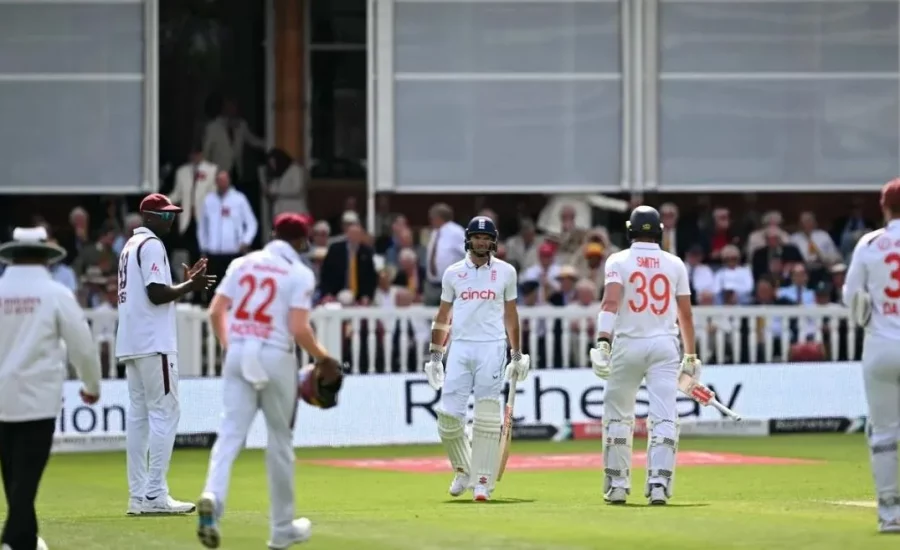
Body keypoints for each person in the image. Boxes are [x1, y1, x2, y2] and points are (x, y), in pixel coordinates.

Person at [197, 213, 340, 549]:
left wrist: (232, 348)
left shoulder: (242, 263)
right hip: (276, 355)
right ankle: (281, 529)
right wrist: (323, 358)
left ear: (273, 233)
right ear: (303, 241)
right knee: (279, 442)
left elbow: (216, 312)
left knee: (230, 434)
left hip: (238, 350)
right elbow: (299, 328)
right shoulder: (299, 272)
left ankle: (212, 498)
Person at [588, 205, 698, 506]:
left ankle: (619, 485)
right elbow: (685, 316)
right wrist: (691, 356)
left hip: (628, 343)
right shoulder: (674, 263)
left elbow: (610, 303)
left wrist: (602, 343)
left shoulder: (618, 260)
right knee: (664, 415)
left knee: (617, 415)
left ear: (629, 231)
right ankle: (659, 483)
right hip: (665, 346)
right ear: (660, 231)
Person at [0, 227, 102, 550]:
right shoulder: (55, 293)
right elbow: (83, 346)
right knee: (24, 486)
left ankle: (25, 541)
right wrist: (92, 385)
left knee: (16, 483)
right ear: (46, 256)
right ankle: (14, 540)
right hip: (38, 401)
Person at [115, 193, 216, 516]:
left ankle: (138, 496)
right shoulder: (152, 245)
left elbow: (151, 291)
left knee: (139, 417)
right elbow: (157, 293)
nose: (170, 220)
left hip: (131, 341)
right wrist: (191, 286)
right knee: (165, 413)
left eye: (171, 215)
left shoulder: (129, 247)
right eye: (165, 215)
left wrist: (185, 282)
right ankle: (155, 493)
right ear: (149, 217)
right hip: (153, 342)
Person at [423, 216, 531, 502]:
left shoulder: (506, 272)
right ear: (468, 239)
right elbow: (443, 317)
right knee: (448, 418)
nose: (481, 242)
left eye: (486, 238)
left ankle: (482, 480)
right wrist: (436, 356)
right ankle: (463, 469)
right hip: (459, 348)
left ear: (493, 240)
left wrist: (516, 353)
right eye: (477, 237)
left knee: (486, 416)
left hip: (492, 348)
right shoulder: (453, 273)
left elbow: (511, 316)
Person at [843, 178, 900, 533]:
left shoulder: (869, 243)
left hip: (881, 345)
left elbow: (852, 295)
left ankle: (889, 514)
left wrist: (867, 318)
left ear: (885, 207)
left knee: (883, 433)